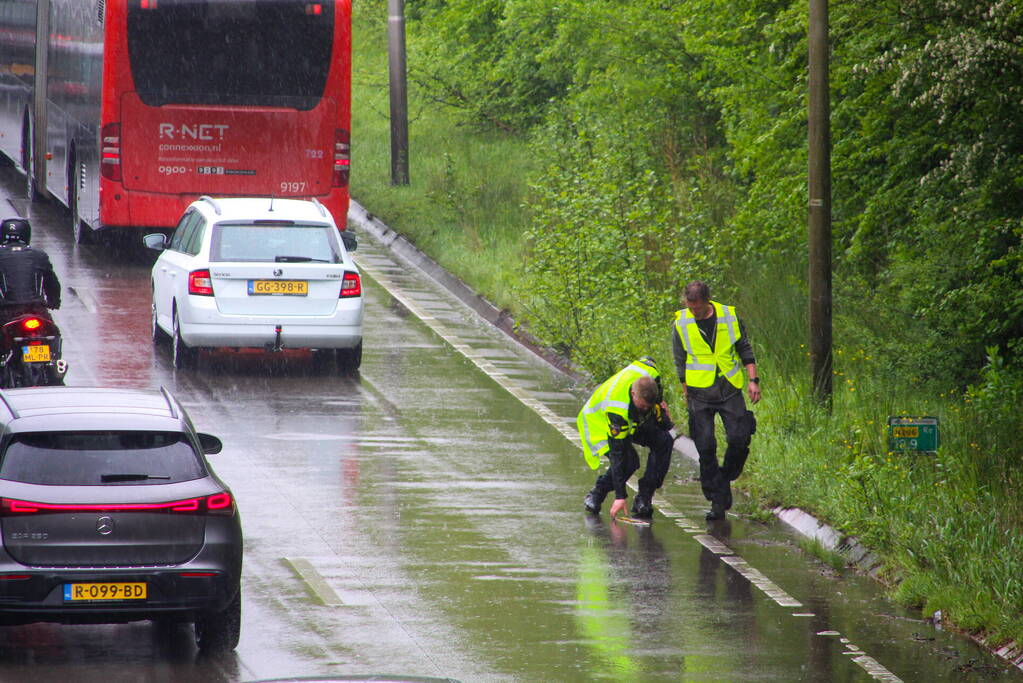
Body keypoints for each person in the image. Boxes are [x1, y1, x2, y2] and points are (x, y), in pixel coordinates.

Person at [672, 281, 759, 521]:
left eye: (697, 309)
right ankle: (717, 500)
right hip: (699, 392)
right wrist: (685, 391)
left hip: (729, 387)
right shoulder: (681, 322)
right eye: (690, 308)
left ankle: (724, 477)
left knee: (739, 438)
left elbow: (744, 349)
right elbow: (680, 360)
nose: (694, 313)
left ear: (707, 301)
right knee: (706, 446)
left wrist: (753, 380)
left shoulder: (729, 317)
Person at [577, 357, 675, 519]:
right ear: (632, 393)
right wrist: (620, 496)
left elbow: (648, 361)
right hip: (598, 425)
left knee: (664, 441)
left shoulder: (651, 374)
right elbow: (617, 455)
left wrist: (662, 411)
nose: (645, 410)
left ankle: (644, 498)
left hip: (632, 421)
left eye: (647, 407)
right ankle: (597, 494)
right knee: (629, 462)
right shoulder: (618, 410)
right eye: (642, 406)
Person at [0, 217, 61, 324]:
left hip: (6, 312)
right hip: (35, 310)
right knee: (52, 332)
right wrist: (54, 301)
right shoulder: (39, 255)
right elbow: (52, 283)